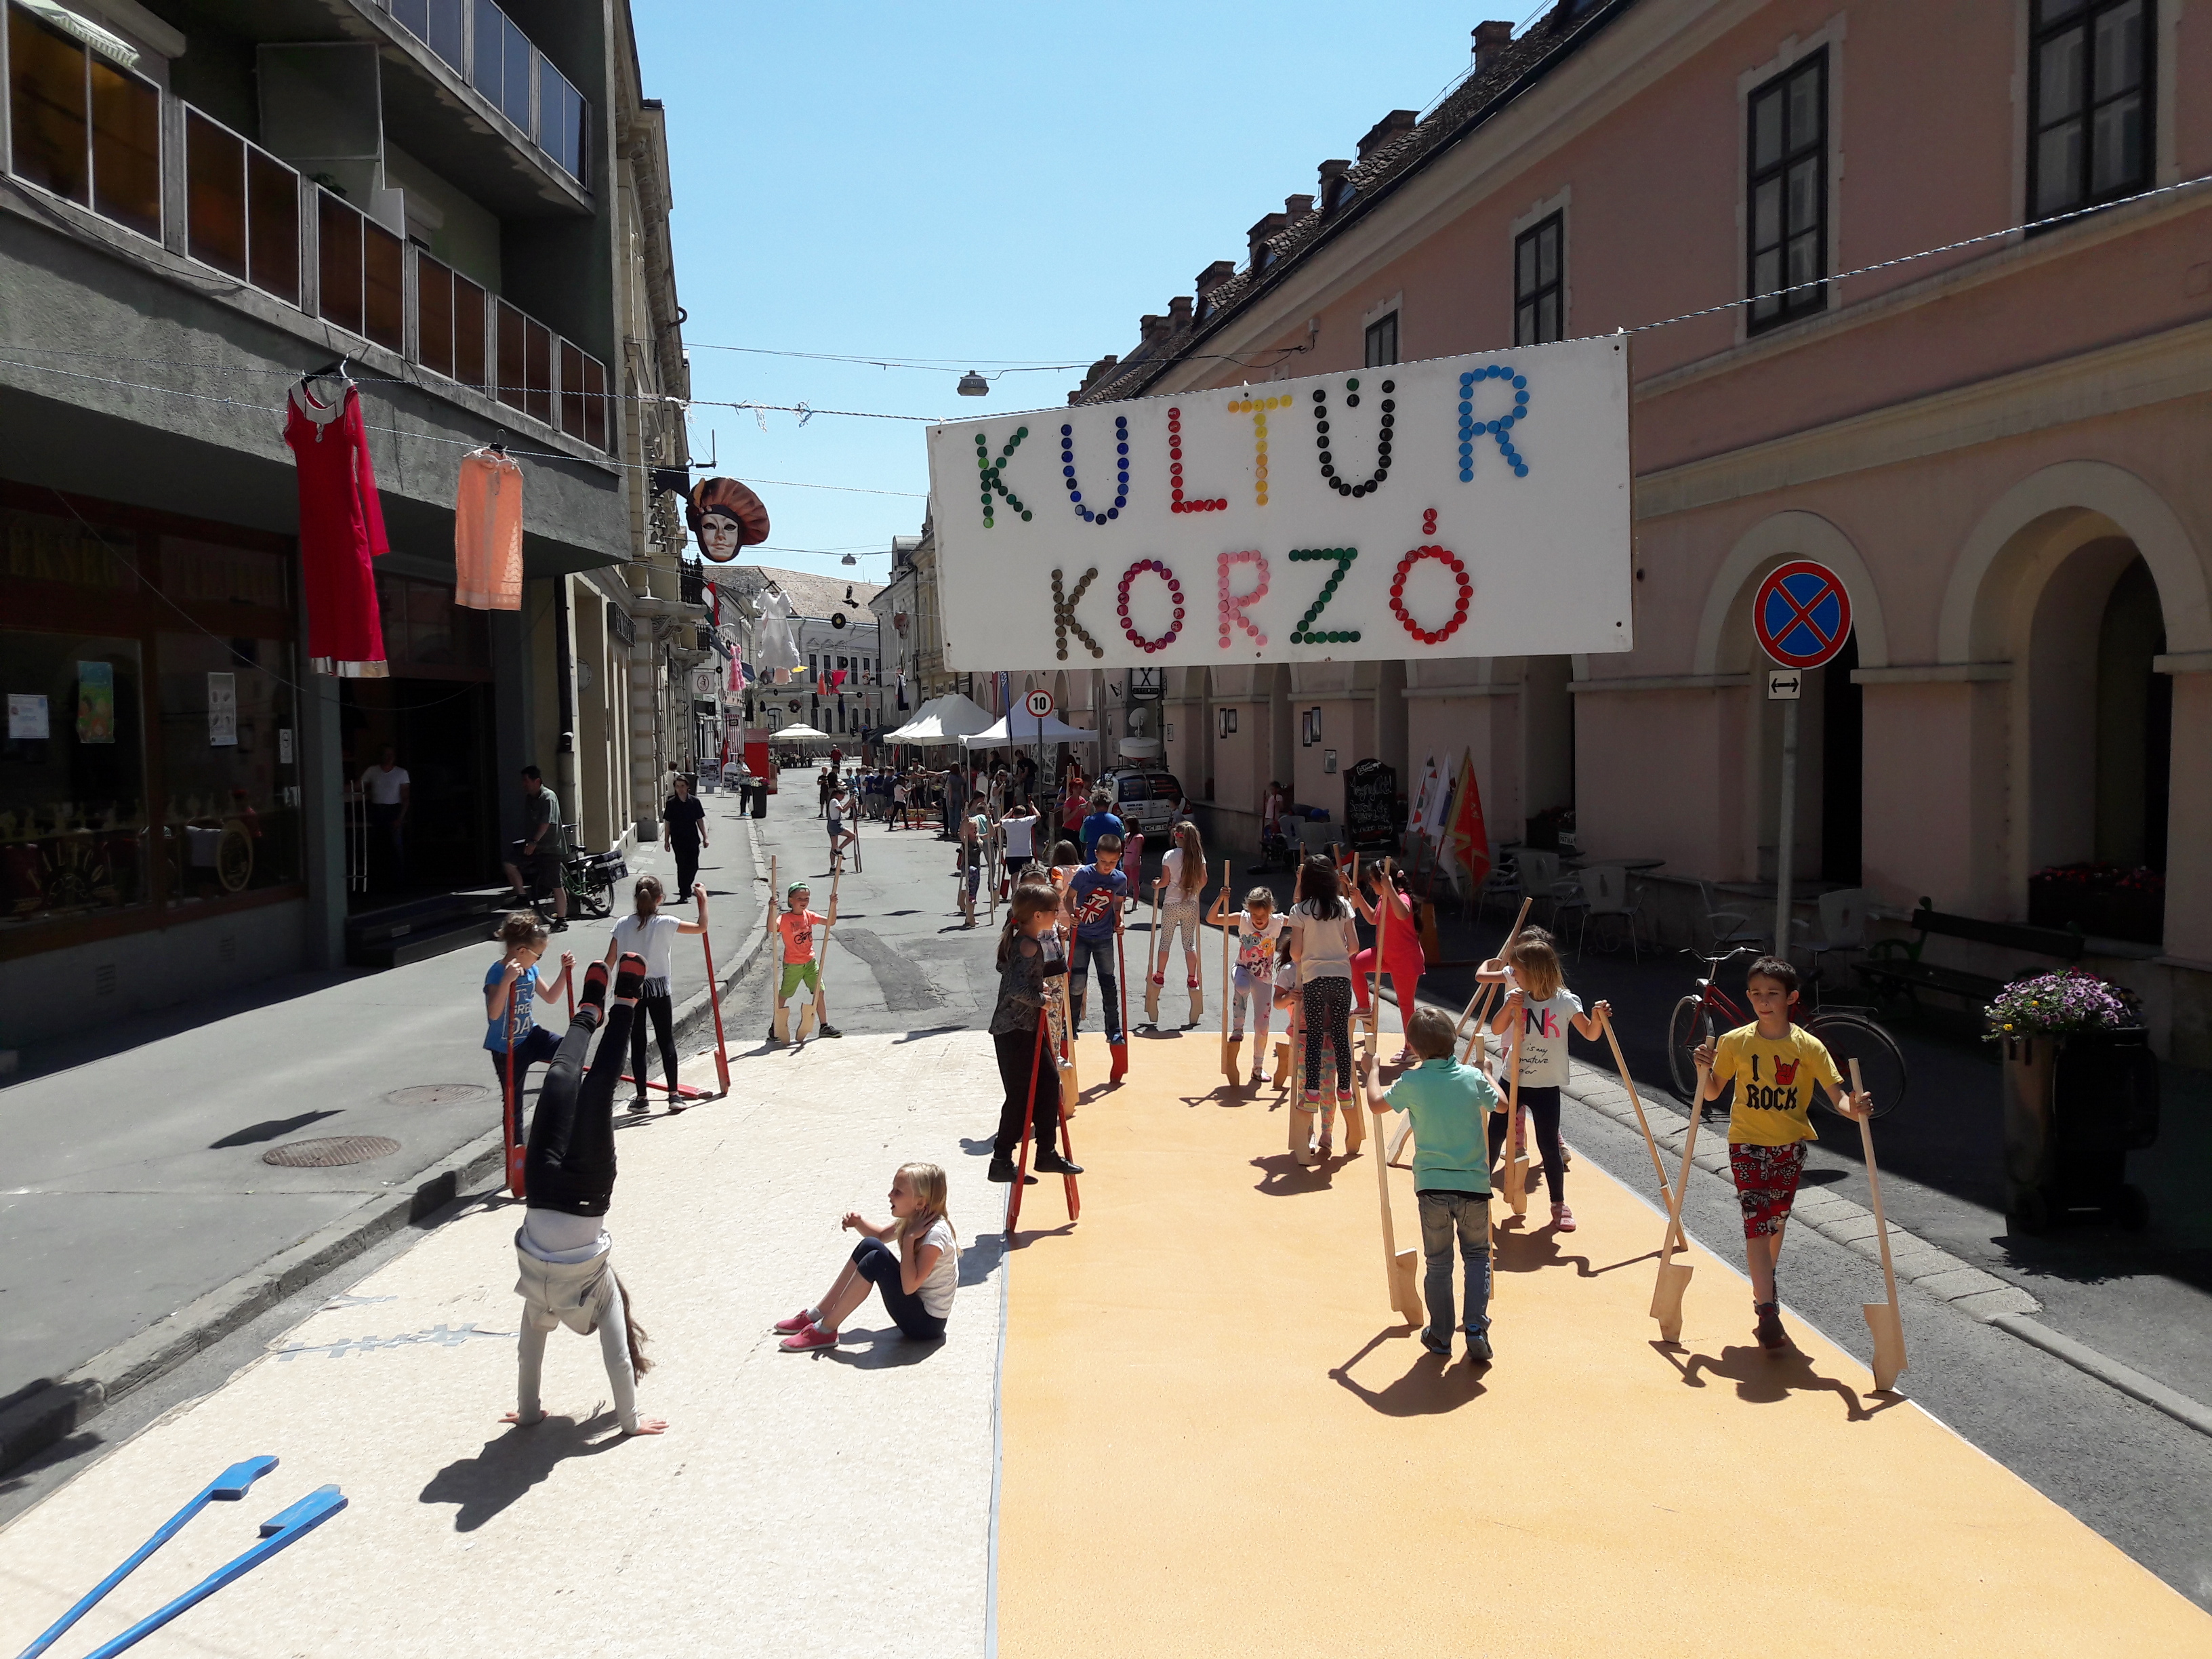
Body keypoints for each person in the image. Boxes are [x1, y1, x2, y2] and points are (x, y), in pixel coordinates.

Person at [506, 954, 666, 1436]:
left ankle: (589, 1010)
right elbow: (618, 1357)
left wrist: (529, 1413)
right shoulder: (602, 1290)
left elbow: (527, 1355)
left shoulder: (537, 1301)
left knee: (559, 1078)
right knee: (597, 1092)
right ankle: (625, 1003)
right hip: (585, 1192)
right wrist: (630, 1422)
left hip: (541, 1189)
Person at [1694, 956, 1870, 1353]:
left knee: (1776, 1223)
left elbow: (1839, 1099)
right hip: (1746, 1143)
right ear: (1748, 996)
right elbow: (1712, 1092)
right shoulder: (1735, 1041)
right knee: (1756, 1224)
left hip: (1789, 1146)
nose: (1763, 1001)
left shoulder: (1809, 1047)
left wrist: (1856, 1109)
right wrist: (1703, 1069)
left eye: (1773, 994)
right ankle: (1766, 1308)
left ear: (1791, 998)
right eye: (1756, 993)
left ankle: (1765, 1287)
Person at [1366, 1005, 1501, 1362]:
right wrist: (1488, 1074)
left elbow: (1377, 1104)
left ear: (1413, 1047)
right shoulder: (1471, 1077)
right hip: (1474, 1185)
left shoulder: (1413, 1082)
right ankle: (1476, 1326)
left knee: (1439, 1262)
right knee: (1477, 1256)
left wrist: (1373, 1071)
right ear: (1453, 1040)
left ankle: (1441, 1334)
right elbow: (1502, 1105)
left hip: (1432, 1187)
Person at [1483, 930, 1607, 1233]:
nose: (1512, 975)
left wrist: (1598, 1018)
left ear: (1535, 972)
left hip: (1546, 1085)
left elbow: (1590, 1033)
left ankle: (1558, 1203)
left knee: (1548, 1144)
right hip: (1513, 1079)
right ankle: (1478, 1188)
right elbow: (1497, 1027)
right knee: (1494, 1134)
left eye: (1517, 971)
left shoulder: (1565, 1001)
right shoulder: (1517, 997)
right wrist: (1508, 1007)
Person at [775, 1162, 962, 1351]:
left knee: (876, 1262)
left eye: (898, 1192)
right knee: (870, 1245)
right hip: (915, 1307)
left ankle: (826, 1329)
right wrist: (859, 1223)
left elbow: (909, 1287)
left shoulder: (935, 1234)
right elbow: (880, 1236)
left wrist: (908, 1240)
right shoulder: (916, 1220)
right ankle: (818, 1314)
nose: (890, 1195)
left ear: (920, 1203)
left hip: (926, 1325)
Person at [983, 882, 1084, 1183]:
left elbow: (1014, 976)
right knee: (1020, 1096)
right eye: (1054, 910)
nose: (1057, 914)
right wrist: (1042, 999)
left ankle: (1046, 1153)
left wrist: (1037, 986)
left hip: (1025, 1027)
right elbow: (1016, 989)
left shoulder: (1025, 940)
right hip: (1014, 1029)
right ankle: (1001, 1160)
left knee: (1049, 1083)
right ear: (1038, 915)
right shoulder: (1028, 945)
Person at [605, 874, 708, 1115]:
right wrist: (703, 901)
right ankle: (673, 1094)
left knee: (638, 1042)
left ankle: (642, 1097)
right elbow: (701, 927)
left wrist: (601, 989)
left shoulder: (622, 925)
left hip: (630, 988)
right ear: (660, 899)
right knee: (665, 1039)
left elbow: (610, 960)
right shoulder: (667, 922)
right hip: (659, 987)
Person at [1288, 853, 1360, 1161]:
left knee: (1316, 1034)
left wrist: (1311, 953)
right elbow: (1354, 946)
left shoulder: (1300, 910)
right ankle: (1344, 1087)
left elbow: (1295, 952)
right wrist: (1336, 953)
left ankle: (1313, 1089)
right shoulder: (1343, 906)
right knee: (1341, 1034)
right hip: (1341, 976)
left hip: (1314, 977)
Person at [484, 913, 574, 1154]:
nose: (538, 960)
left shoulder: (530, 968)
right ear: (522, 951)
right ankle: (515, 1153)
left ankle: (563, 1110)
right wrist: (507, 982)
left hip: (530, 1034)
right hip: (507, 1046)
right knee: (513, 1103)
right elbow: (494, 1014)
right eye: (538, 955)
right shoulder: (497, 973)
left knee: (570, 1051)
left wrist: (564, 971)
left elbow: (551, 997)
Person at [1064, 831, 1130, 1080]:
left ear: (1119, 858)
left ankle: (1113, 1029)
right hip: (1081, 936)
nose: (1107, 866)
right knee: (1076, 982)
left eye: (1112, 862)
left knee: (1108, 982)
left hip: (1104, 938)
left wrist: (1119, 920)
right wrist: (1072, 914)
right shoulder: (1084, 875)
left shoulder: (1120, 879)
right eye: (1103, 861)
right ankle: (1071, 1027)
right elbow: (1069, 898)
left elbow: (1118, 903)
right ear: (1095, 855)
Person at [1351, 859, 1428, 1067]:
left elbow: (1403, 914)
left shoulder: (1401, 897)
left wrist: (1390, 889)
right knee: (1355, 964)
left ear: (1384, 881)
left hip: (1404, 959)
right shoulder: (1383, 897)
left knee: (1405, 1004)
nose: (1370, 884)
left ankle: (1412, 1048)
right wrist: (1358, 898)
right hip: (1385, 955)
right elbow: (1373, 919)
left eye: (1372, 880)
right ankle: (1364, 1006)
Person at [1208, 883, 1283, 1086]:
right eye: (1255, 914)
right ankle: (1238, 1027)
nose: (1258, 919)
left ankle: (1258, 1067)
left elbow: (1302, 920)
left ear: (1271, 910)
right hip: (1242, 969)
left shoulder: (1277, 922)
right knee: (1242, 986)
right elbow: (1212, 919)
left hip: (1264, 978)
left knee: (1262, 1026)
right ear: (1249, 909)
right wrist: (1221, 898)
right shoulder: (1242, 919)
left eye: (1263, 915)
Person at [772, 880, 842, 1042]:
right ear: (791, 900)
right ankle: (776, 1025)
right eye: (800, 898)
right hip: (793, 964)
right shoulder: (785, 919)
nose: (804, 902)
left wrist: (833, 904)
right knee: (785, 994)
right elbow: (772, 928)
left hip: (810, 962)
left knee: (819, 991)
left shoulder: (809, 916)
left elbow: (830, 922)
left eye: (806, 898)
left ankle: (824, 1025)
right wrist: (771, 909)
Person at [1151, 820, 1207, 1021]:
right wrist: (1195, 891)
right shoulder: (1198, 856)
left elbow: (1165, 881)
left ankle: (1160, 975)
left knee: (1165, 941)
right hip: (1190, 903)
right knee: (1189, 943)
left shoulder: (1170, 855)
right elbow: (1204, 880)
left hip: (1171, 904)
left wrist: (1156, 884)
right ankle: (1192, 978)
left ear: (1177, 836)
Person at [501, 765, 567, 928]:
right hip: (534, 846)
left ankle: (562, 920)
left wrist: (534, 841)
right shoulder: (530, 799)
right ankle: (522, 897)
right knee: (510, 864)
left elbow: (546, 823)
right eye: (523, 781)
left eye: (526, 781)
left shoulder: (548, 797)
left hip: (550, 848)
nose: (524, 784)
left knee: (556, 883)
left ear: (537, 781)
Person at [358, 745, 409, 890]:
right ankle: (379, 880)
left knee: (396, 846)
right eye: (386, 754)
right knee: (376, 845)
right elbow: (358, 786)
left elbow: (405, 797)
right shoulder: (373, 771)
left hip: (393, 810)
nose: (389, 758)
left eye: (391, 755)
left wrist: (400, 818)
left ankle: (399, 881)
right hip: (377, 811)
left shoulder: (401, 773)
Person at [661, 773, 708, 901]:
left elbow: (700, 820)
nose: (680, 789)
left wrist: (705, 837)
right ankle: (683, 893)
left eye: (682, 786)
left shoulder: (694, 802)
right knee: (682, 866)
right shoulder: (671, 803)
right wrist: (666, 840)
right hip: (678, 840)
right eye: (677, 786)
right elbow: (668, 823)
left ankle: (686, 887)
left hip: (692, 839)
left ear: (687, 787)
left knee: (693, 866)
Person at [958, 789, 991, 928]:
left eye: (976, 829)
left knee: (974, 890)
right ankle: (968, 899)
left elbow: (991, 834)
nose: (975, 831)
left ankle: (969, 917)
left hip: (976, 869)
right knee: (972, 875)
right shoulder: (966, 840)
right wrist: (964, 822)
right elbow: (961, 834)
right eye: (972, 829)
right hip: (968, 867)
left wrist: (989, 819)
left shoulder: (979, 840)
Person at [1080, 788, 1124, 865]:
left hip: (1093, 860)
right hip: (1113, 861)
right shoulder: (1117, 821)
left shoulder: (1088, 821)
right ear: (1108, 804)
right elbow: (1123, 838)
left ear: (1094, 805)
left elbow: (1082, 839)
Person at [1000, 798, 1039, 885]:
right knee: (1026, 874)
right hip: (1026, 853)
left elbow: (1001, 821)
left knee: (1014, 874)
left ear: (1013, 815)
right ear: (1024, 814)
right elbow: (1038, 816)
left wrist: (1009, 813)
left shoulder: (1009, 822)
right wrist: (1032, 807)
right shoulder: (1027, 821)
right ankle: (1024, 889)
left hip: (1012, 854)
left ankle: (1014, 891)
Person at [827, 776, 857, 865]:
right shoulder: (834, 801)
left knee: (833, 847)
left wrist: (850, 802)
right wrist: (850, 803)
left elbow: (843, 808)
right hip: (835, 824)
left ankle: (833, 866)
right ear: (838, 794)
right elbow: (843, 810)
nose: (843, 798)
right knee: (852, 836)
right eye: (842, 796)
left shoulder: (834, 801)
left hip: (831, 825)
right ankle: (839, 849)